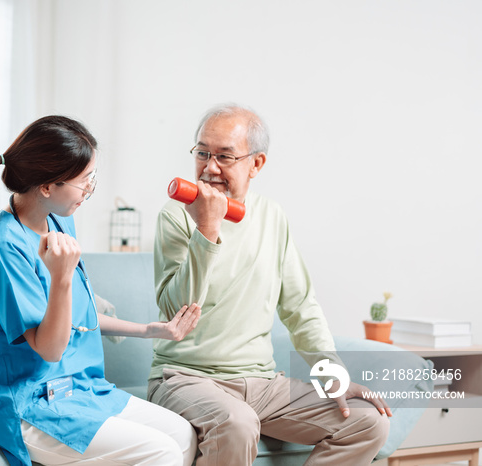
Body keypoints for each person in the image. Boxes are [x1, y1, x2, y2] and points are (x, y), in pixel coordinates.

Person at [148, 104, 392, 466]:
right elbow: (176, 311)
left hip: (262, 383)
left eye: (224, 157)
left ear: (256, 164)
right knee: (237, 423)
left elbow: (300, 307)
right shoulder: (176, 215)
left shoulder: (272, 217)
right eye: (202, 153)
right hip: (185, 378)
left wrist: (331, 373)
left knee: (368, 422)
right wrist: (207, 229)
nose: (209, 167)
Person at [0, 115, 199, 466]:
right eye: (84, 182)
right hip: (25, 404)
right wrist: (62, 278)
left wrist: (149, 330)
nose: (89, 191)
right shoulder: (1, 248)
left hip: (80, 388)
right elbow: (50, 348)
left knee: (183, 436)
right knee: (160, 452)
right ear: (48, 187)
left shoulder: (58, 218)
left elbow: (77, 316)